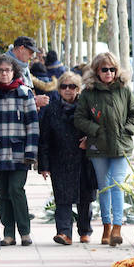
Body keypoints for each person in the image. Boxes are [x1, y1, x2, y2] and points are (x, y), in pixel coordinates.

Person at [74, 52, 134, 247]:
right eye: (105, 69)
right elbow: (79, 118)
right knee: (104, 187)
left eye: (112, 69)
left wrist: (127, 130)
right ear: (97, 71)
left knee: (117, 185)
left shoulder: (124, 90)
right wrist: (95, 130)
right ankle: (106, 226)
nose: (109, 73)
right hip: (98, 146)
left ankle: (118, 228)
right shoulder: (88, 93)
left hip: (121, 145)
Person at [0, 54, 39, 246]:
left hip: (20, 153)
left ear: (14, 72)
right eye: (1, 70)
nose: (4, 74)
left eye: (8, 70)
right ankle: (8, 233)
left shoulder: (24, 92)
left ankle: (25, 231)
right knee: (2, 192)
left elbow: (33, 125)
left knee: (16, 189)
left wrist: (31, 152)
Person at [38, 72, 97, 245]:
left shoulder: (86, 108)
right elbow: (44, 139)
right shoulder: (51, 109)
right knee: (62, 197)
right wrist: (44, 165)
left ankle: (84, 230)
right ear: (59, 89)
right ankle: (64, 233)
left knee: (85, 197)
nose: (68, 90)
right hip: (60, 159)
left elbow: (97, 128)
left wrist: (89, 140)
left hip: (84, 159)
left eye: (72, 86)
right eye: (64, 86)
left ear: (79, 89)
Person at [8, 36, 51, 110]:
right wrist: (34, 101)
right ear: (21, 49)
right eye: (30, 53)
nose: (31, 57)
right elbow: (5, 97)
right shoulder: (4, 66)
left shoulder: (23, 65)